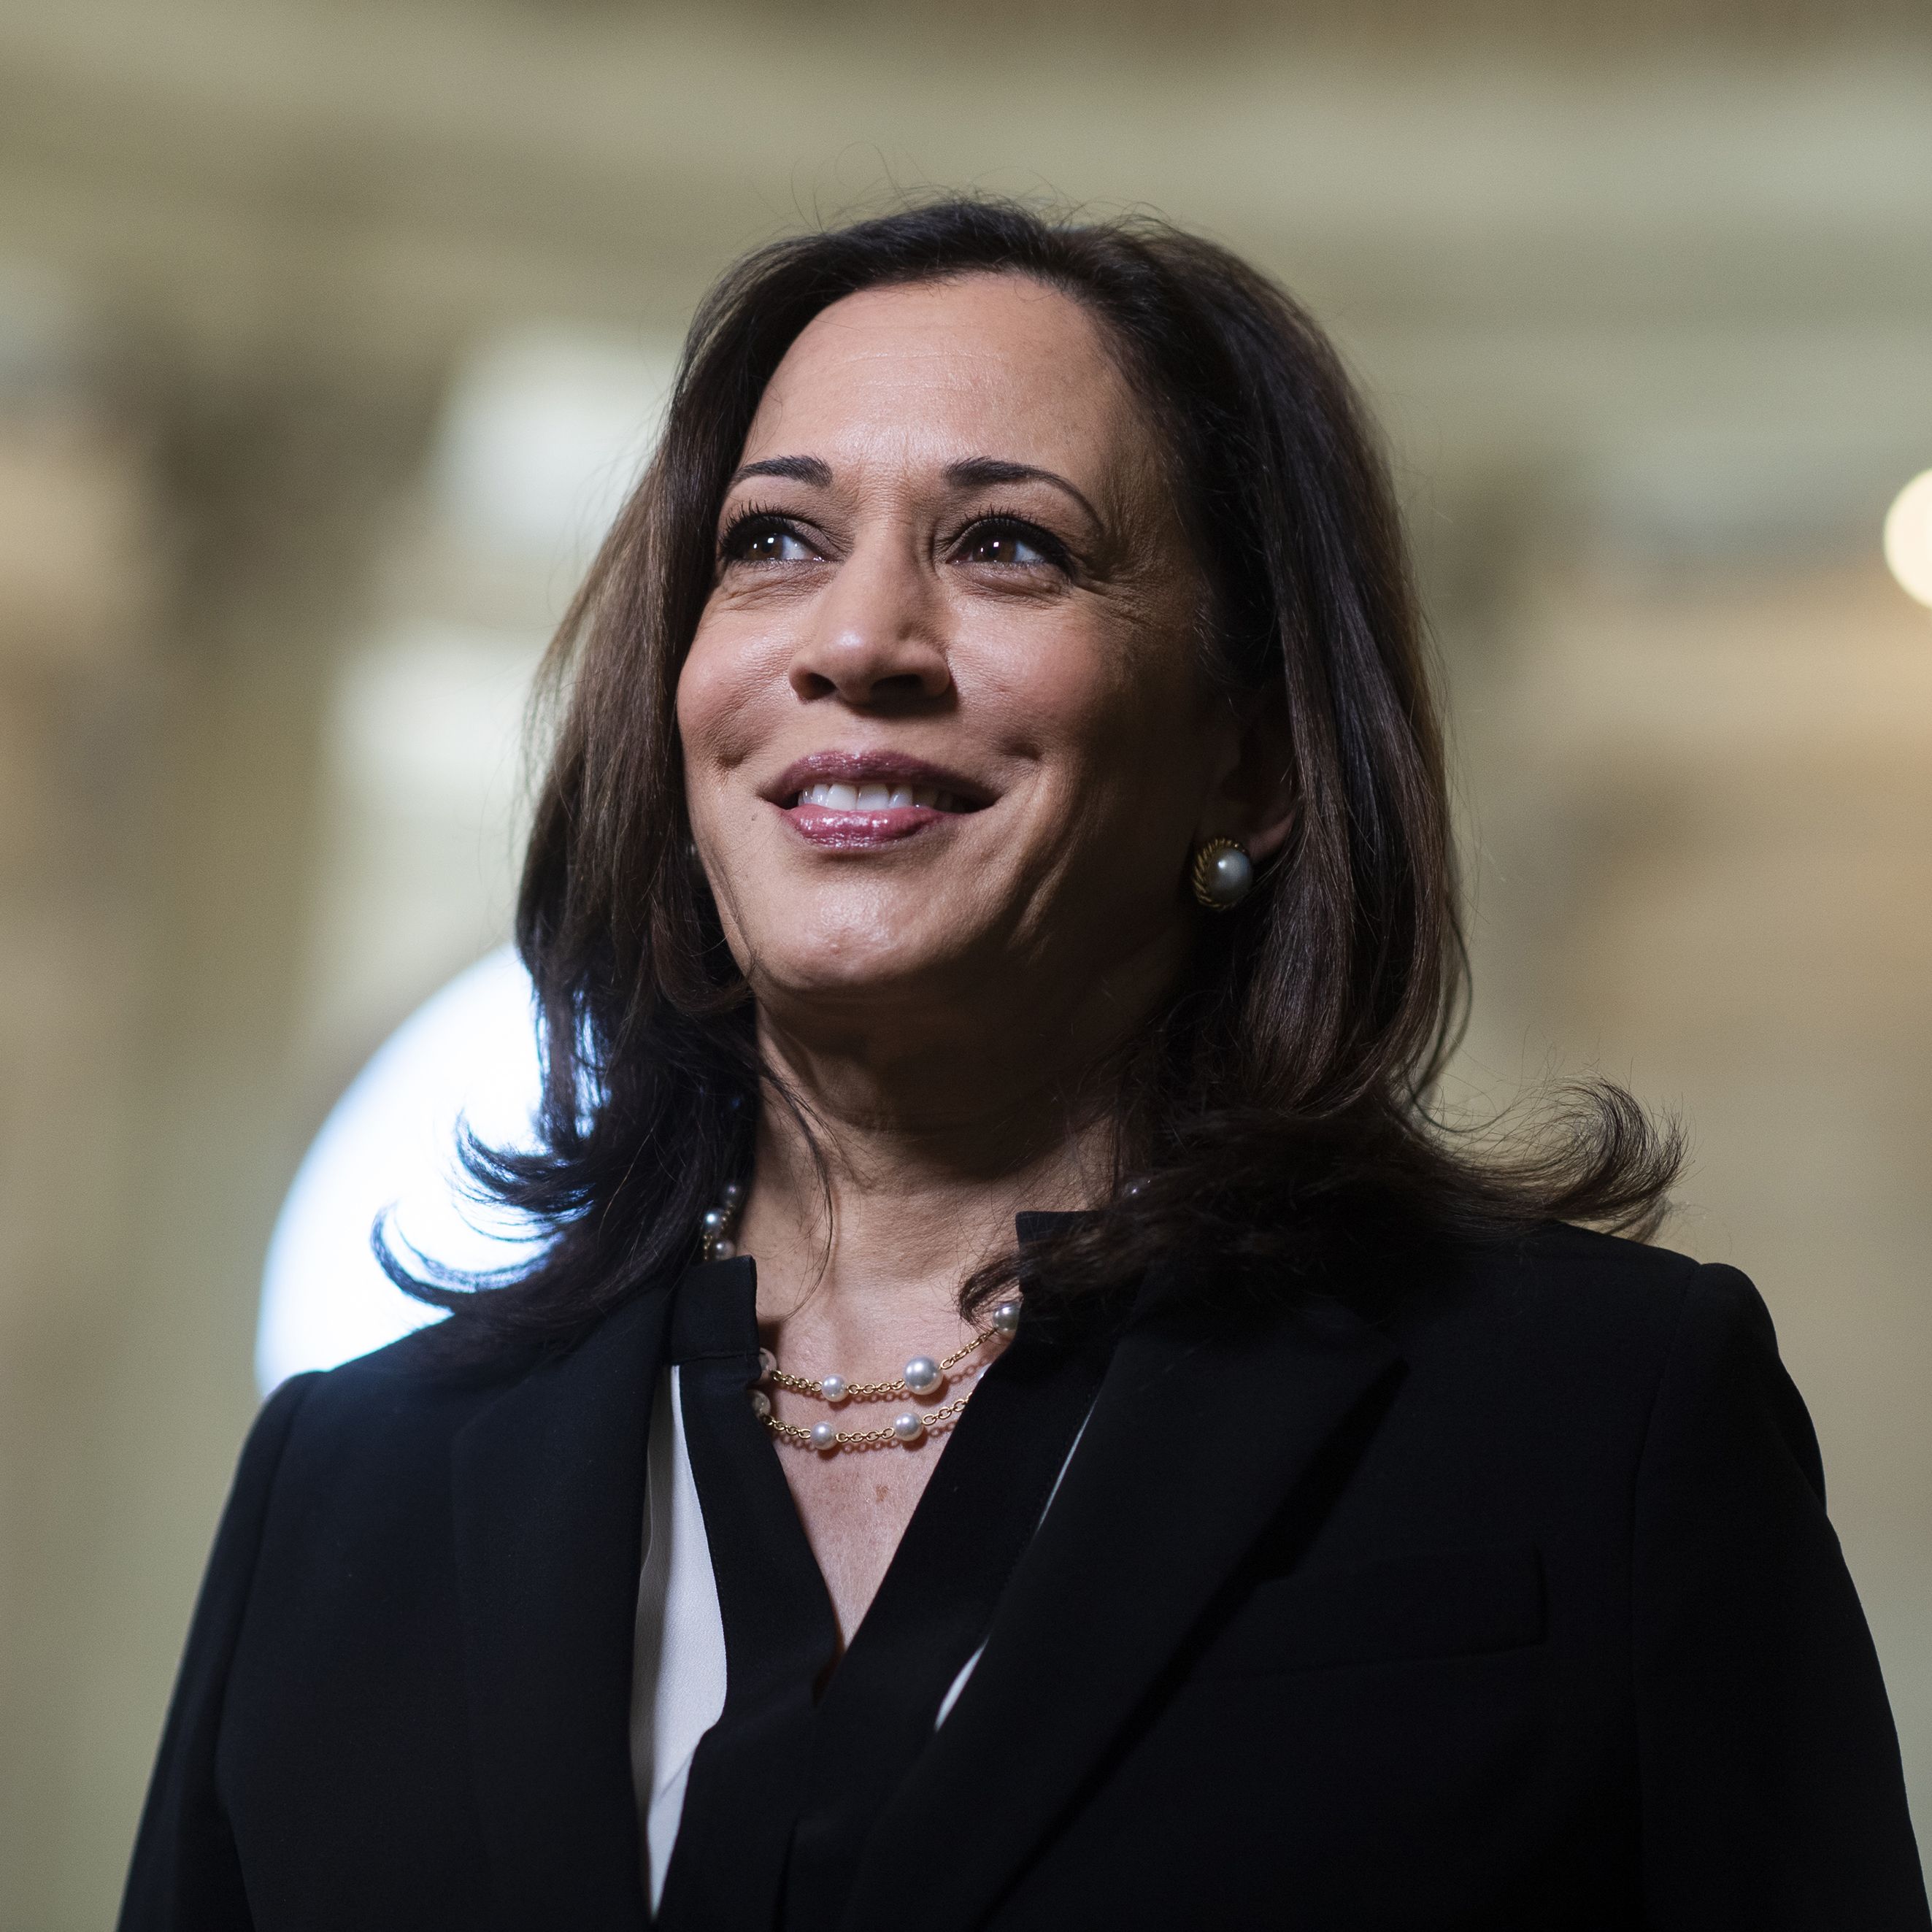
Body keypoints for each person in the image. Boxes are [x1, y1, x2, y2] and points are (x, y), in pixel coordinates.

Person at [120, 199, 1928, 1931]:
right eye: (772, 542)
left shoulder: (1597, 1415)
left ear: (1256, 760)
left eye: (1010, 545)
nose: (857, 642)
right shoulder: (339, 1490)